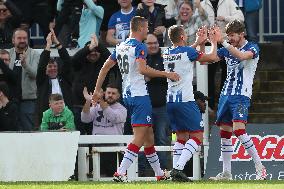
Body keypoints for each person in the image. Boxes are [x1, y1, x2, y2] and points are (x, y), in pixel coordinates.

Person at [92, 16, 180, 182]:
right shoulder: (139, 46)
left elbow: (104, 69)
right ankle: (121, 172)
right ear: (140, 28)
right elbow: (142, 69)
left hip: (127, 95)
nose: (148, 31)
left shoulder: (120, 46)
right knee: (139, 137)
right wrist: (166, 74)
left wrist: (97, 90)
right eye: (146, 28)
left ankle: (160, 174)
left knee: (149, 138)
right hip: (140, 96)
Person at [204, 20, 266, 180]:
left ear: (242, 34)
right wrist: (209, 41)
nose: (230, 38)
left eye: (232, 36)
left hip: (241, 95)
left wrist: (222, 41)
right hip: (226, 94)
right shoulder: (227, 47)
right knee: (225, 132)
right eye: (228, 35)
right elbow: (207, 59)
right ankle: (226, 173)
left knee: (239, 130)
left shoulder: (252, 47)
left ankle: (260, 168)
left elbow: (241, 56)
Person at [163, 25, 218, 182]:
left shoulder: (167, 52)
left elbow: (185, 53)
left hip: (171, 102)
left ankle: (176, 175)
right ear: (182, 37)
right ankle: (178, 169)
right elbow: (212, 57)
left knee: (181, 137)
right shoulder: (187, 52)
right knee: (197, 136)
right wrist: (212, 42)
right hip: (185, 101)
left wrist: (197, 42)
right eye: (185, 35)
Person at [72, 34, 120, 135]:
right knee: (78, 137)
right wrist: (89, 48)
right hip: (78, 106)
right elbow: (74, 60)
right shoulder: (79, 63)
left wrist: (99, 45)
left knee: (94, 136)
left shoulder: (104, 64)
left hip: (97, 107)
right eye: (90, 51)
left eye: (96, 51)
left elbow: (112, 59)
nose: (93, 53)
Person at [200, 0, 244, 111]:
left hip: (226, 42)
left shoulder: (228, 2)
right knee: (209, 73)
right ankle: (209, 104)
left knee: (227, 73)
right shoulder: (202, 4)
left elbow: (240, 17)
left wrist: (225, 18)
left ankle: (223, 102)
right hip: (210, 43)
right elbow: (198, 22)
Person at [139, 33, 171, 174]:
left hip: (162, 107)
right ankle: (140, 171)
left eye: (155, 43)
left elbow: (170, 77)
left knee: (162, 139)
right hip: (144, 107)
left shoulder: (165, 59)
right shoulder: (140, 58)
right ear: (145, 45)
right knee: (142, 139)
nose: (153, 46)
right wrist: (159, 74)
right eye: (149, 43)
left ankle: (162, 171)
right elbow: (139, 77)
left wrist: (149, 74)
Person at [81, 84, 127, 176]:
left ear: (118, 96)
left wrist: (100, 100)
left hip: (115, 149)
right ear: (105, 94)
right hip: (97, 147)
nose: (110, 95)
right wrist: (88, 101)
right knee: (97, 178)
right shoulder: (96, 107)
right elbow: (85, 119)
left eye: (113, 93)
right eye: (108, 93)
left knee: (113, 178)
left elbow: (113, 117)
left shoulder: (122, 109)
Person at [36, 29, 72, 129]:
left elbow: (67, 61)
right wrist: (48, 45)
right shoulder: (42, 81)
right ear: (46, 69)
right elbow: (41, 65)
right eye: (50, 67)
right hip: (48, 117)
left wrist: (57, 43)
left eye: (55, 66)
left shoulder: (64, 79)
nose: (53, 69)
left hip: (65, 116)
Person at [8, 28, 40, 131]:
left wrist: (25, 64)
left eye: (24, 38)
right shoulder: (8, 53)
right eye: (19, 38)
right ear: (13, 40)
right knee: (10, 130)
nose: (22, 40)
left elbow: (35, 74)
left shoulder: (34, 54)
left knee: (27, 130)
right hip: (9, 100)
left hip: (28, 99)